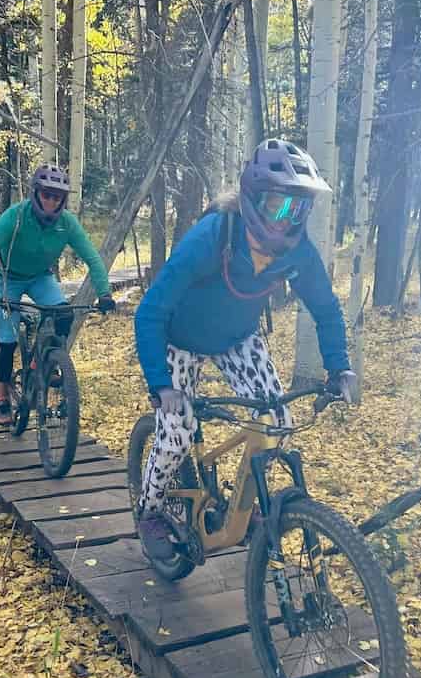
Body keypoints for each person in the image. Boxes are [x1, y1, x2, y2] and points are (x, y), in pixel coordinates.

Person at [133, 138, 359, 560]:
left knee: (277, 420)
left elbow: (326, 307)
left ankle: (242, 506)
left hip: (237, 338)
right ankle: (149, 510)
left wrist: (339, 367)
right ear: (253, 199)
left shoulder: (298, 253)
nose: (286, 220)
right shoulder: (213, 236)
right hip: (179, 338)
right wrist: (161, 386)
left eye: (297, 209)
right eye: (278, 206)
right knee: (176, 435)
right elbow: (149, 312)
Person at [0, 164, 116, 424]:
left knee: (63, 314)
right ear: (36, 192)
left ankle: (46, 362)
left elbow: (93, 259)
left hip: (40, 277)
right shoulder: (16, 216)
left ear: (63, 199)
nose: (51, 201)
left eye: (57, 197)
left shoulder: (67, 224)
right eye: (47, 195)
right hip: (7, 277)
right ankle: (2, 399)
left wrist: (105, 293)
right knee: (7, 343)